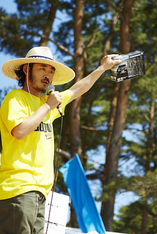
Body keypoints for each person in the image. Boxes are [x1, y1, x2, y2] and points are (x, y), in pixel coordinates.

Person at [0, 46, 121, 233]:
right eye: (42, 68)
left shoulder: (47, 104)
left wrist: (102, 68)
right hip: (18, 189)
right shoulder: (15, 98)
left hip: (41, 193)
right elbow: (19, 131)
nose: (48, 74)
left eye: (51, 70)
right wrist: (48, 106)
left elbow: (77, 90)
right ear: (26, 69)